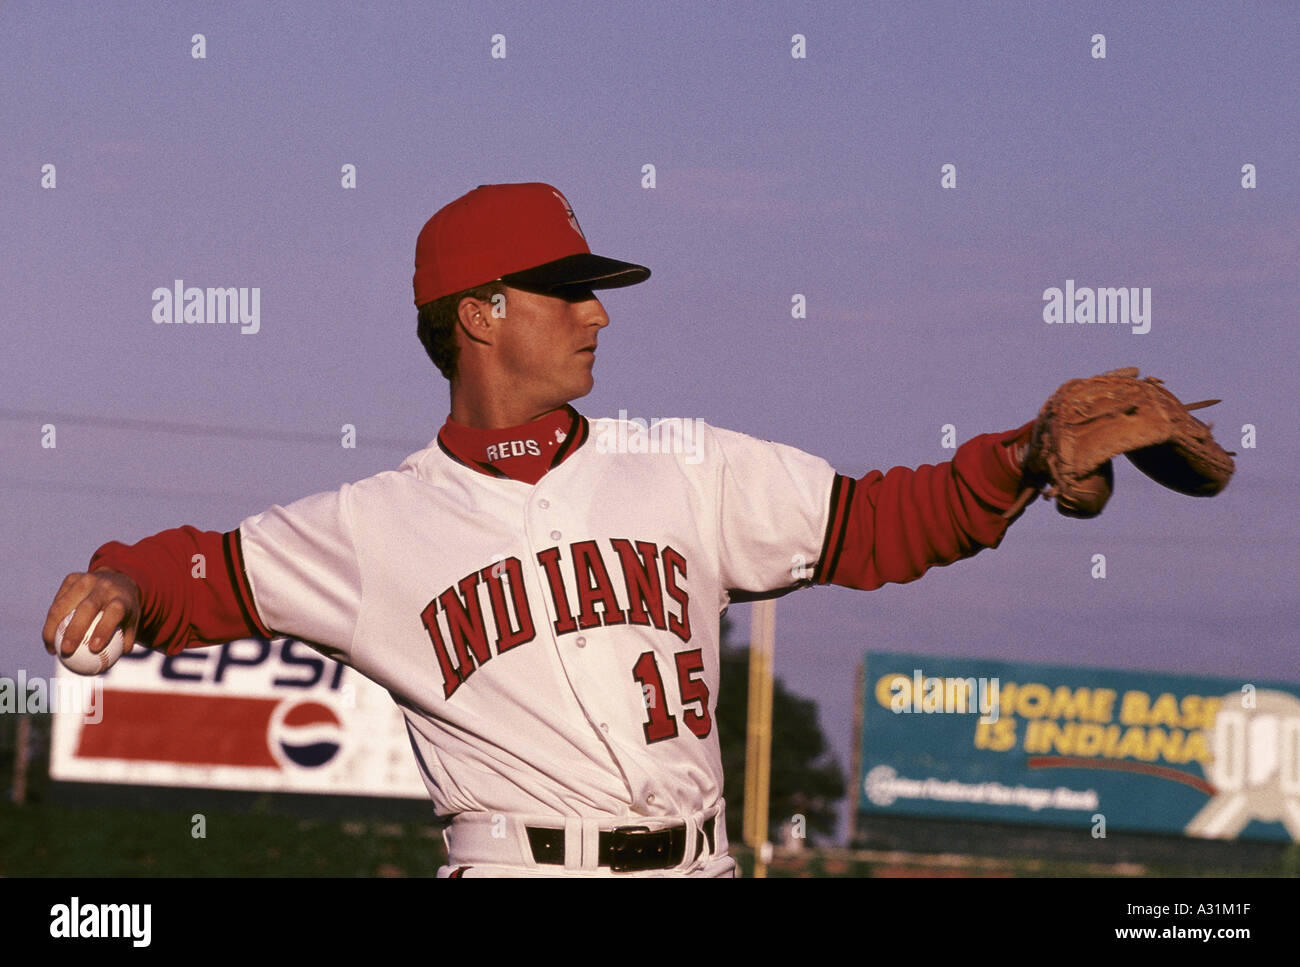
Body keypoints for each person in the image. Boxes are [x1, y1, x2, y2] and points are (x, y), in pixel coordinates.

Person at [42, 182, 1039, 877]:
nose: (597, 315)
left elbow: (886, 522)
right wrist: (124, 581)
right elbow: (202, 574)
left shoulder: (688, 467)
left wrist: (1022, 457)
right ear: (479, 311)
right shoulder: (372, 526)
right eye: (566, 289)